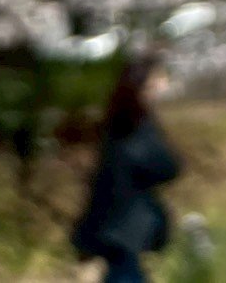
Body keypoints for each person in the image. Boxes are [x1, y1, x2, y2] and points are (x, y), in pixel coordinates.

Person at [71, 51, 182, 283]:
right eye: (156, 80)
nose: (161, 85)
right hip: (124, 225)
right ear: (143, 85)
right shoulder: (135, 125)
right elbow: (164, 167)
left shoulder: (118, 121)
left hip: (113, 223)